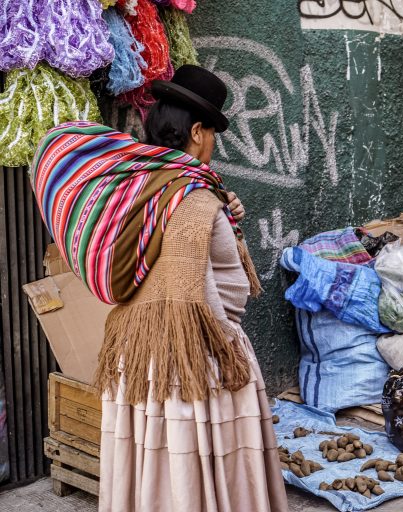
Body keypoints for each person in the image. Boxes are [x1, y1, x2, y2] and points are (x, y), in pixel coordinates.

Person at [31, 65, 288, 511]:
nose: (213, 145)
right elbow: (203, 295)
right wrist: (228, 346)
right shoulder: (192, 196)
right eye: (213, 133)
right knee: (193, 474)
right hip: (190, 361)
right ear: (197, 131)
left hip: (137, 361)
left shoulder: (140, 185)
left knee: (152, 476)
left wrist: (226, 216)